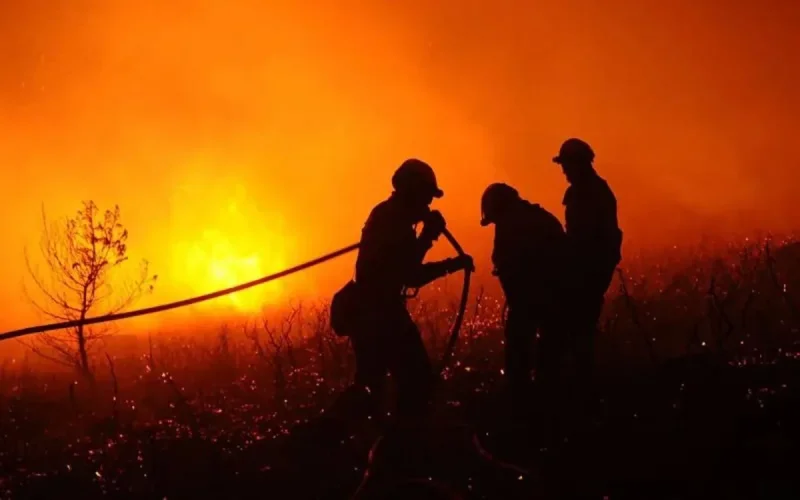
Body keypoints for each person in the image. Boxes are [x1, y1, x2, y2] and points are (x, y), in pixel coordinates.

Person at [331, 158, 474, 426]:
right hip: (379, 317)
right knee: (413, 384)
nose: (428, 204)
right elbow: (408, 273)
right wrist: (430, 239)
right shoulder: (392, 222)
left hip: (376, 315)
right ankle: (395, 448)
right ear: (411, 191)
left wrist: (446, 257)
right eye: (425, 196)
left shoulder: (390, 217)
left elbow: (403, 270)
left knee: (377, 389)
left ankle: (372, 444)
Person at [480, 183, 568, 417]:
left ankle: (524, 409)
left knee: (521, 358)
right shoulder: (539, 218)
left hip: (534, 300)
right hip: (553, 300)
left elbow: (509, 268)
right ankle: (547, 405)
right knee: (550, 357)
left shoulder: (511, 224)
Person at [552, 138, 623, 386]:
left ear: (578, 164)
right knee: (580, 332)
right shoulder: (592, 190)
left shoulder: (588, 193)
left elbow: (582, 238)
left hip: (586, 274)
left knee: (576, 332)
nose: (564, 171)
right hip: (589, 272)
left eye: (566, 164)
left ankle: (580, 388)